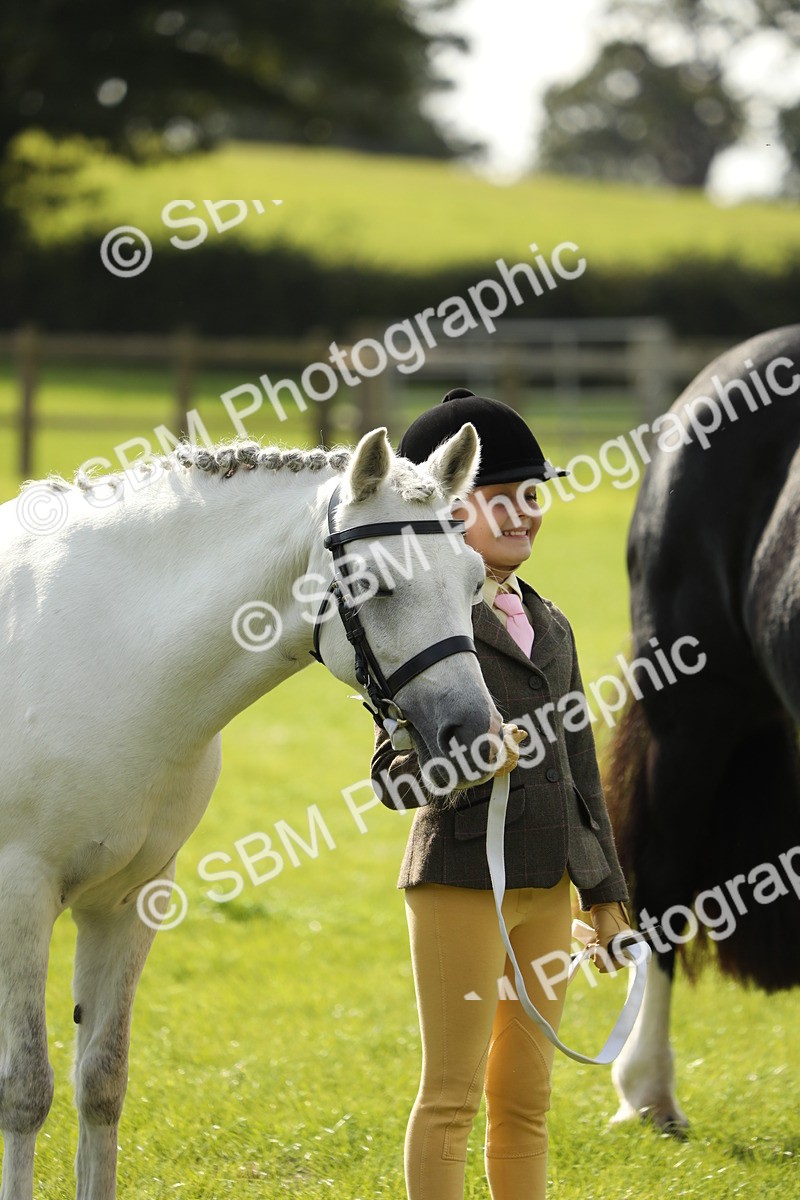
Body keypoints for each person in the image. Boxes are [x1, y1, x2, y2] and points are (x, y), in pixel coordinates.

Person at [370, 387, 634, 1200]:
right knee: (451, 1098)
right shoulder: (425, 627)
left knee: (525, 1099)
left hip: (547, 889)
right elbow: (391, 775)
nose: (526, 513)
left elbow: (582, 772)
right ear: (448, 511)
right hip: (457, 884)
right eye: (502, 498)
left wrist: (606, 892)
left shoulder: (550, 624)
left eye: (533, 494)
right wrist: (471, 763)